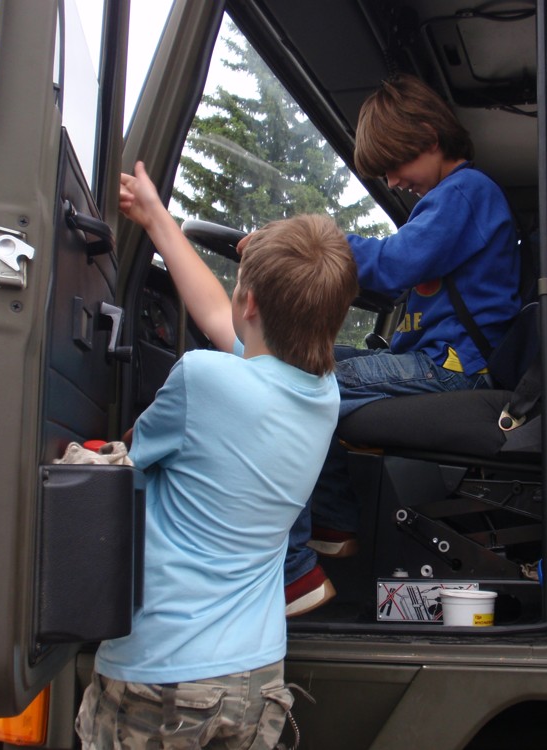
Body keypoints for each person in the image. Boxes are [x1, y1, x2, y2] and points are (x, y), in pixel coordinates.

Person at [74, 167, 359, 749]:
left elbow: (131, 456)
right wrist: (156, 218)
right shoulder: (323, 396)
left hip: (164, 674)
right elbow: (218, 316)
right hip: (256, 678)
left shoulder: (202, 379)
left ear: (248, 302)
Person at [284, 74, 521, 614]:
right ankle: (332, 519)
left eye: (395, 164)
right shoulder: (448, 202)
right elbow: (393, 275)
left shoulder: (464, 192)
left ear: (431, 138)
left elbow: (396, 263)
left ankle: (297, 562)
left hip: (453, 367)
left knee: (296, 377)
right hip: (432, 360)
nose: (392, 180)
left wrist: (305, 246)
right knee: (308, 362)